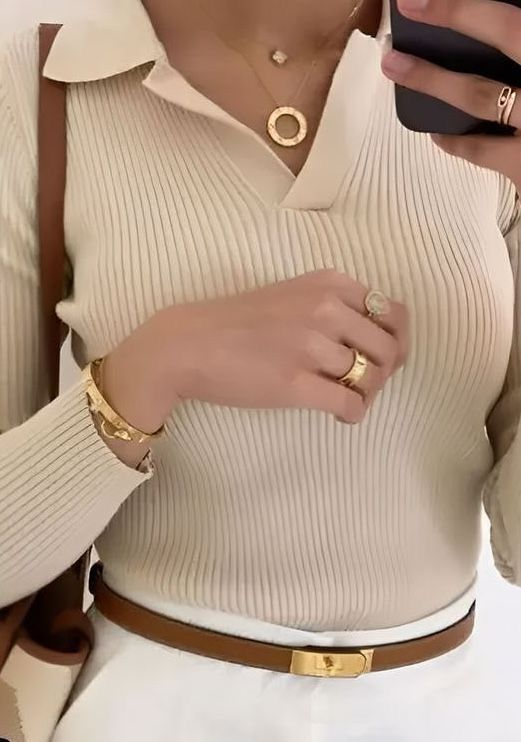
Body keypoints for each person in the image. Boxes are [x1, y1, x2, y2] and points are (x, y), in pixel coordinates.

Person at [1, 0, 521, 738]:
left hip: (448, 713)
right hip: (150, 712)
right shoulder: (43, 83)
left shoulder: (490, 81)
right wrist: (152, 368)